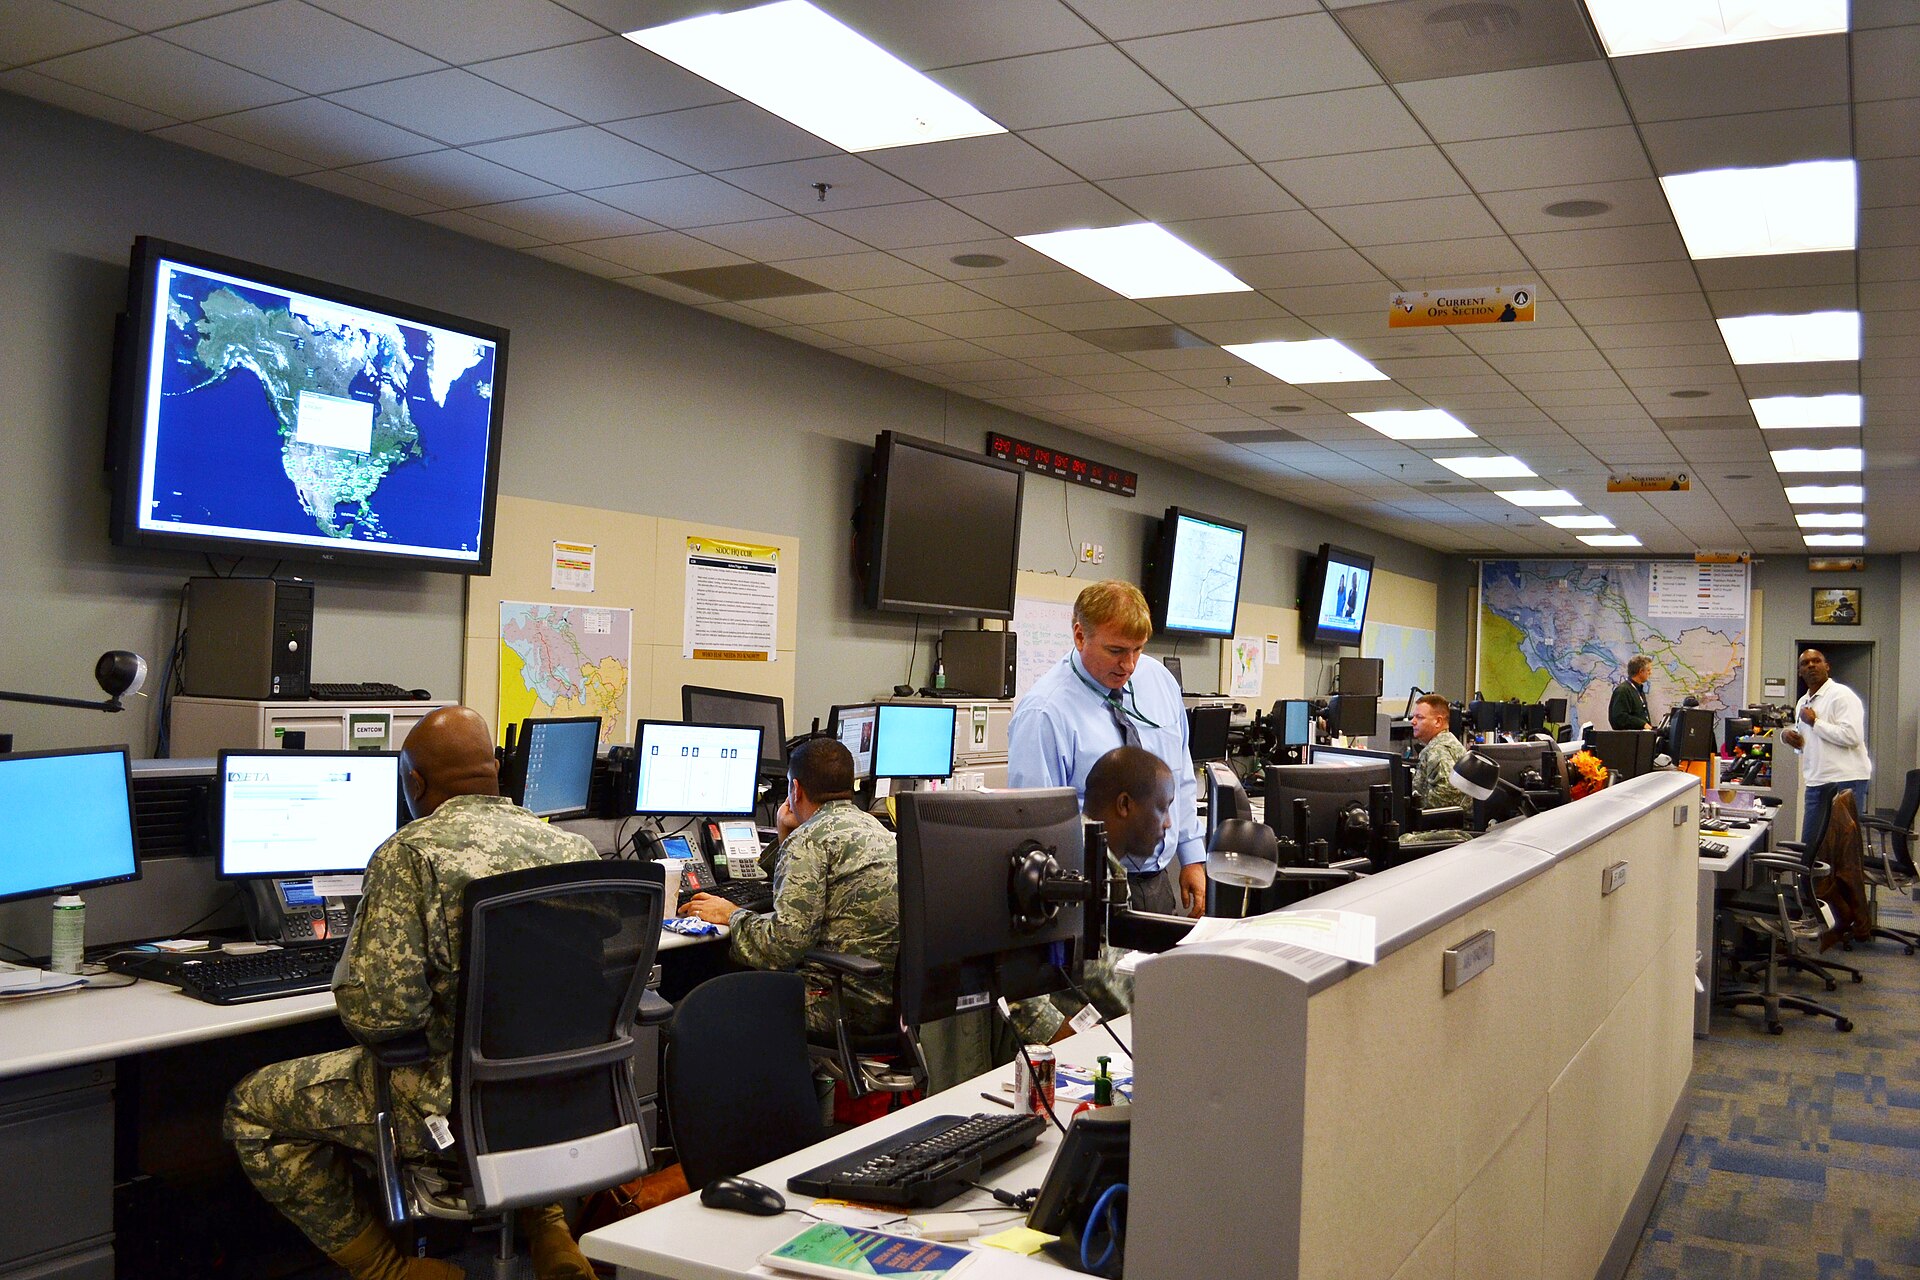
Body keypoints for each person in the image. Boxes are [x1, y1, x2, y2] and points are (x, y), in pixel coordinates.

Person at [224, 706, 600, 1280]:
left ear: (415, 784)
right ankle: (550, 1235)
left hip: (446, 1103)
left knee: (252, 1107)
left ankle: (388, 1271)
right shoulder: (572, 848)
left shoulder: (410, 854)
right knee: (512, 1068)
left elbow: (384, 1016)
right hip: (564, 1091)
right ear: (494, 768)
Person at [1007, 580, 1205, 917]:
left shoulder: (1160, 683)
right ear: (1080, 636)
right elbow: (1036, 826)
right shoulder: (1044, 712)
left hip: (1158, 885)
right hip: (1088, 892)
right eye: (1115, 650)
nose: (1128, 665)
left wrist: (1192, 855)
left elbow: (1181, 776)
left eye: (1138, 650)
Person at [680, 735, 897, 1036]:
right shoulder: (876, 828)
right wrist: (786, 832)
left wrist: (731, 914)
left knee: (699, 1005)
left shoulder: (810, 840)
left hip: (838, 1004)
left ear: (795, 789)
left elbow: (784, 946)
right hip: (887, 1001)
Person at [1008, 746, 1173, 1044]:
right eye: (1163, 808)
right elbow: (1022, 993)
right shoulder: (1072, 867)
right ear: (1124, 805)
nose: (1168, 823)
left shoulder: (1103, 864)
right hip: (1090, 1047)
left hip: (1124, 1034)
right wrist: (1085, 1048)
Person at [1779, 648, 1872, 848]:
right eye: (1805, 663)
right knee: (1812, 845)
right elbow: (1806, 745)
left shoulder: (1841, 695)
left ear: (1827, 666)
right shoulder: (1803, 702)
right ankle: (1813, 881)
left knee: (1841, 849)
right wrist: (1787, 737)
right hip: (1815, 781)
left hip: (1845, 781)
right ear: (1799, 672)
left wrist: (1815, 723)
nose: (1811, 665)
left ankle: (1842, 882)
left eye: (1816, 661)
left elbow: (1852, 737)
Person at [1409, 693, 1469, 813]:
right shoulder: (1448, 741)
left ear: (1438, 721)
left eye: (1419, 717)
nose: (1413, 722)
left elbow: (1448, 794)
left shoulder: (1438, 750)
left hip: (1444, 826)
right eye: (1413, 717)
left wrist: (1411, 805)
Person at [1610, 655, 1654, 730]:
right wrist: (1642, 724)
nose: (1650, 673)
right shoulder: (1623, 691)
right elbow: (1619, 717)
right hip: (1628, 739)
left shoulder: (1638, 689)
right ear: (1640, 671)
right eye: (1648, 670)